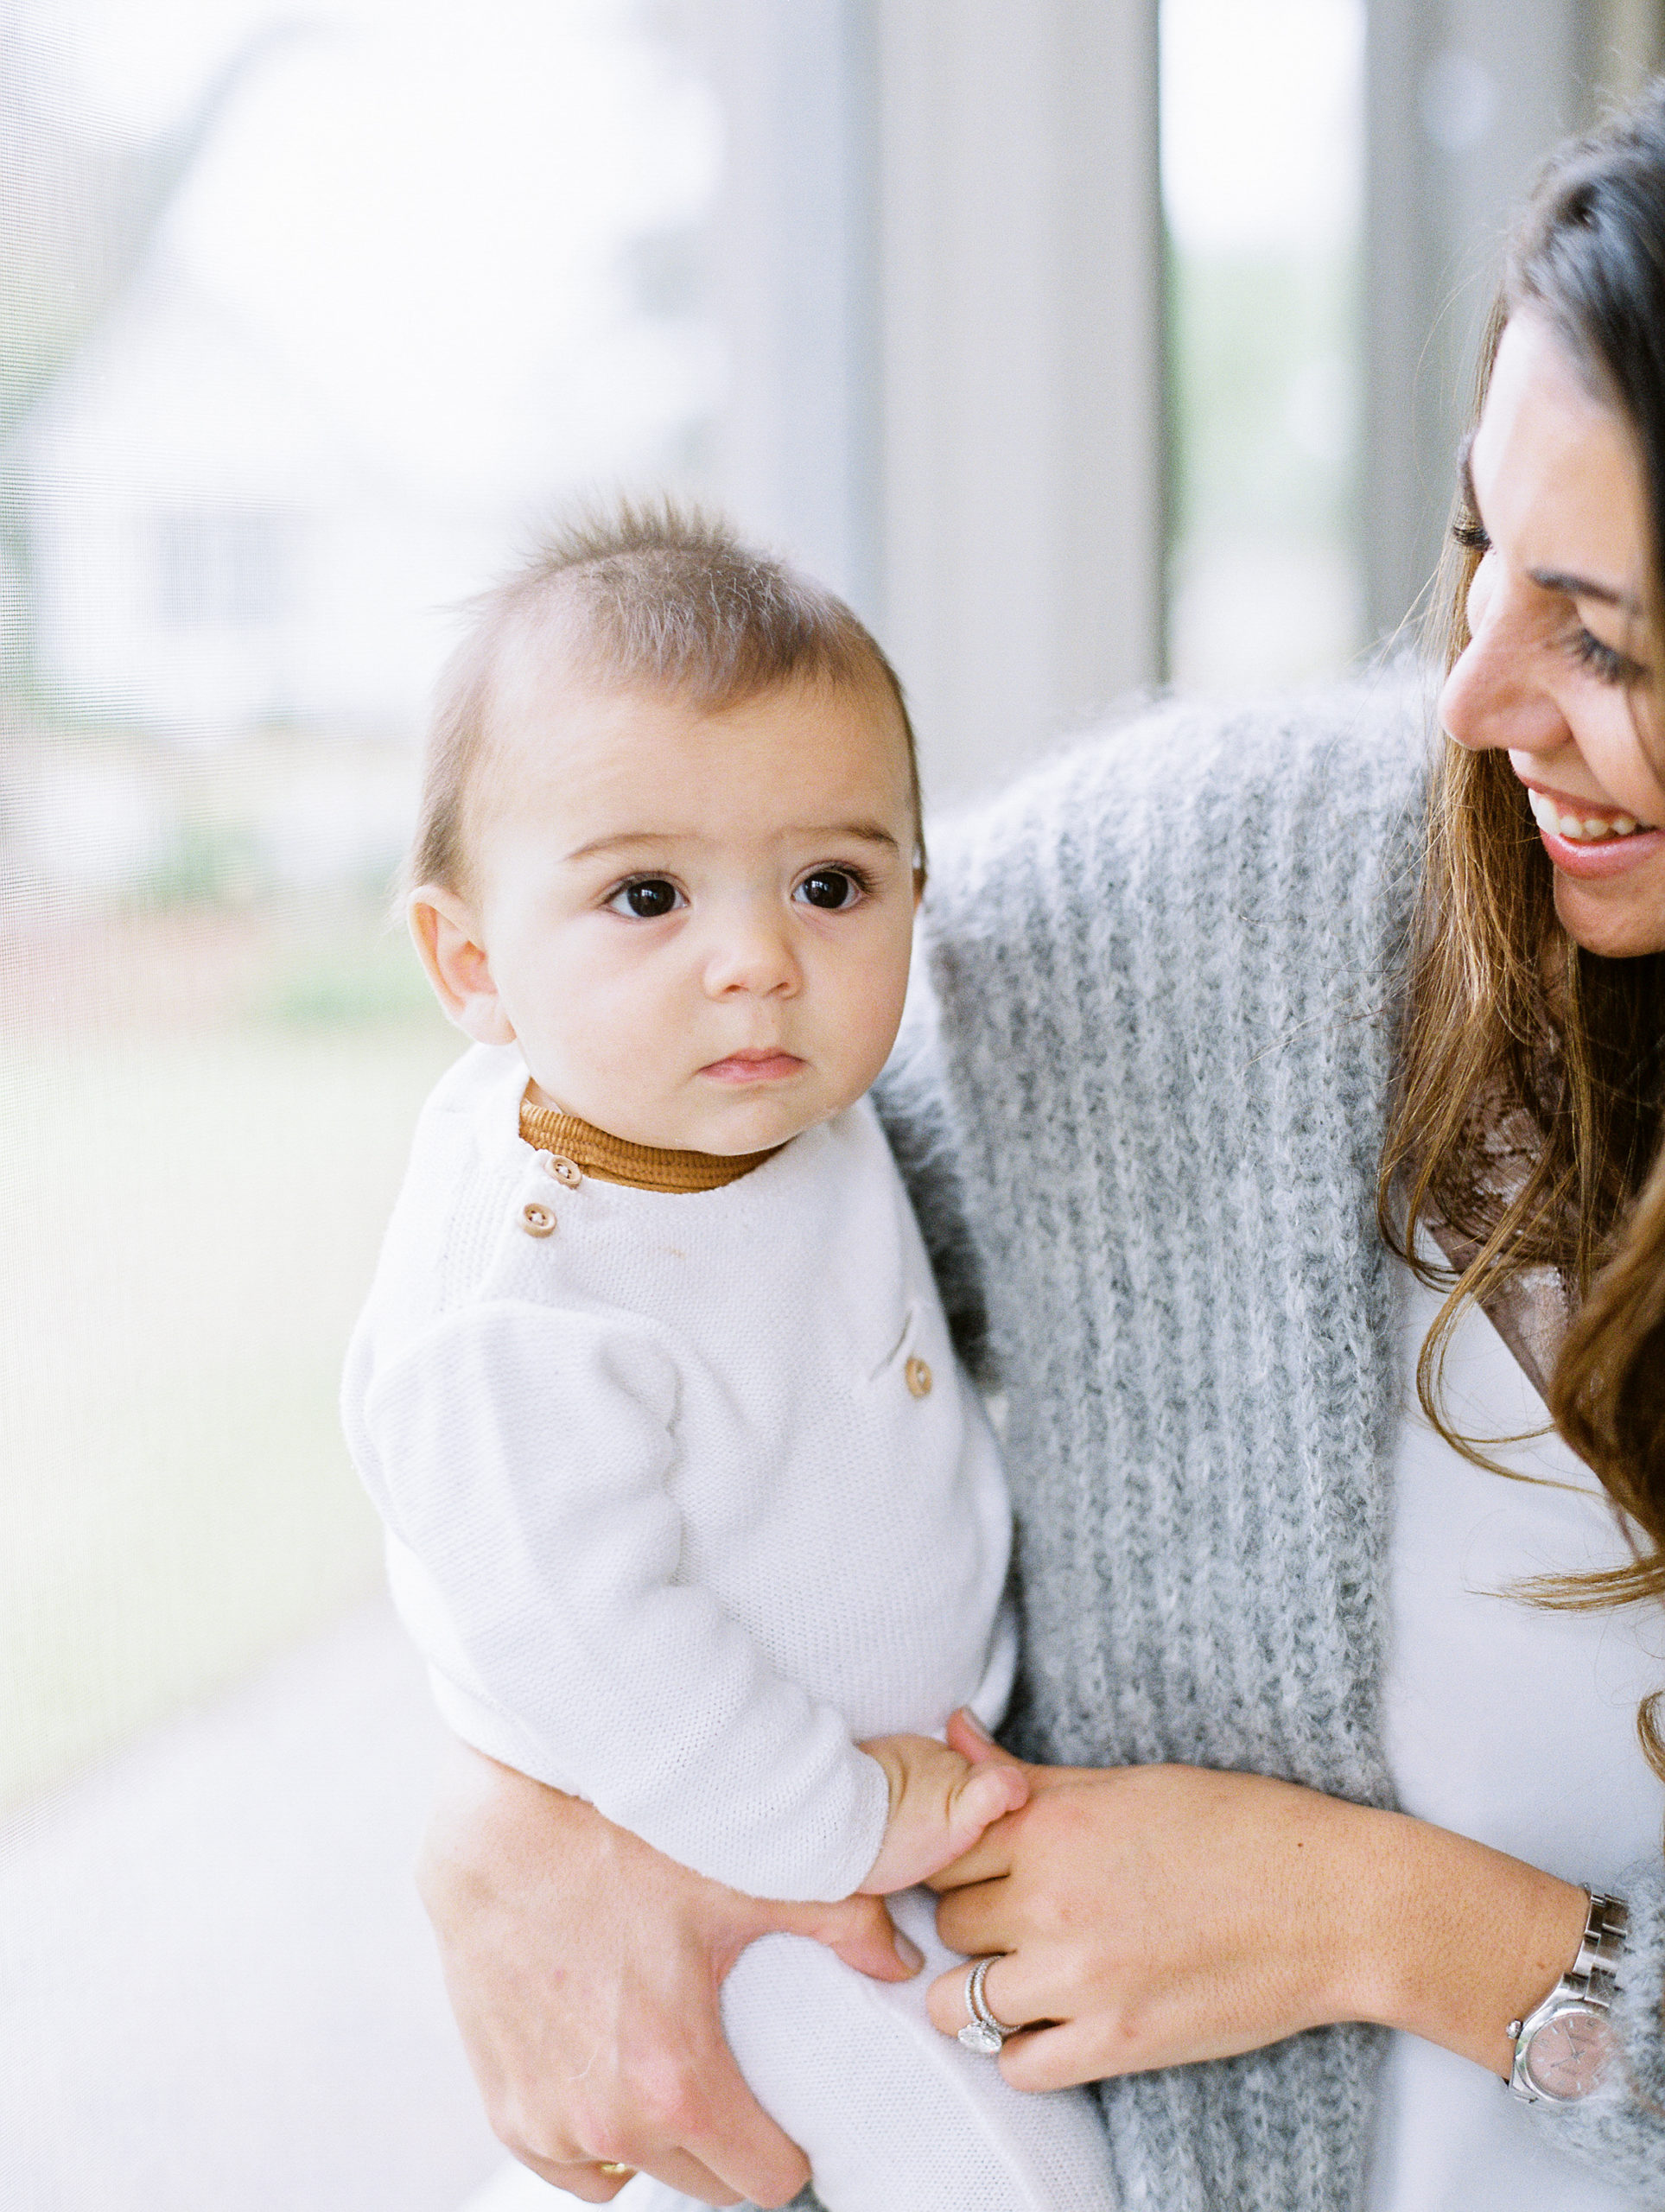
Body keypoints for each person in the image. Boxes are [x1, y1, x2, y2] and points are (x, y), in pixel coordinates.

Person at [415, 89, 1665, 2212]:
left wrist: (1386, 1923)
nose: (1467, 699)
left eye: (1612, 640)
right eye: (1477, 557)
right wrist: (505, 1809)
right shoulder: (1200, 916)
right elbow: (608, 1218)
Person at [342, 507, 1121, 2209]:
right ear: (473, 962)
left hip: (887, 1802)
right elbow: (581, 1638)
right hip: (727, 1849)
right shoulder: (523, 1310)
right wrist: (840, 1816)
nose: (758, 955)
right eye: (646, 894)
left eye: (830, 882)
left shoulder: (777, 1109)